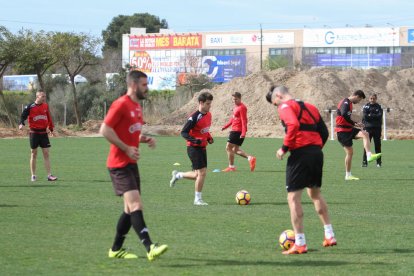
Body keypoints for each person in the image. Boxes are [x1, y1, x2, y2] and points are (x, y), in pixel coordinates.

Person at [100, 70, 168, 261]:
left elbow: (130, 133)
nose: (147, 88)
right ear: (133, 85)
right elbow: (104, 129)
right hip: (118, 165)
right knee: (136, 204)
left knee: (129, 210)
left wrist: (144, 139)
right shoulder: (120, 104)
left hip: (131, 164)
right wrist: (126, 148)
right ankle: (150, 247)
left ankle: (115, 249)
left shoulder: (137, 107)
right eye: (144, 85)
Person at [266, 85, 335, 255]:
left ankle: (300, 243)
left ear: (279, 96)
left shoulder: (285, 106)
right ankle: (329, 235)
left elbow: (293, 124)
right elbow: (324, 132)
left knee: (293, 198)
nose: (276, 107)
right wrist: (315, 149)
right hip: (316, 154)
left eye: (275, 103)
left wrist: (284, 148)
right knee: (315, 195)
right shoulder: (310, 106)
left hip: (300, 155)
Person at [169, 92, 214, 206]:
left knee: (196, 175)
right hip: (193, 148)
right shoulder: (194, 117)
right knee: (202, 173)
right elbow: (183, 132)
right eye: (208, 104)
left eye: (210, 104)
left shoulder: (209, 115)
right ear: (201, 103)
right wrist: (195, 140)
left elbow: (204, 130)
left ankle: (178, 175)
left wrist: (209, 138)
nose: (209, 106)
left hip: (202, 148)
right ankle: (197, 199)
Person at [335, 90, 382, 180]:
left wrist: (355, 124)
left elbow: (347, 117)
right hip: (342, 131)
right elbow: (344, 114)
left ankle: (369, 155)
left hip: (348, 129)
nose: (359, 102)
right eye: (359, 100)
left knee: (365, 134)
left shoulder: (349, 103)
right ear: (357, 96)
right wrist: (354, 123)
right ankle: (348, 175)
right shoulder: (345, 102)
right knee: (350, 153)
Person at [19, 91, 58, 182]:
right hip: (34, 133)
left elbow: (49, 118)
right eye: (42, 96)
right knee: (34, 153)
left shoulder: (45, 106)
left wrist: (51, 129)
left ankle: (49, 175)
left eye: (45, 96)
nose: (44, 98)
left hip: (44, 133)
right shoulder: (30, 106)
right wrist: (21, 123)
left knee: (46, 153)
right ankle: (33, 175)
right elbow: (23, 116)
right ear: (37, 96)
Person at [221, 92, 256, 172]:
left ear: (240, 99)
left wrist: (243, 133)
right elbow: (233, 119)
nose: (234, 101)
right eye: (233, 99)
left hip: (237, 131)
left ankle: (231, 167)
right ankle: (250, 158)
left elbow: (244, 121)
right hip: (236, 130)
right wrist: (225, 126)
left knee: (228, 147)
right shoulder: (235, 107)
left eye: (236, 99)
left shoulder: (242, 108)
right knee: (235, 150)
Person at [362, 94, 383, 167]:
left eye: (373, 98)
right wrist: (374, 115)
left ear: (376, 99)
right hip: (367, 128)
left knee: (377, 145)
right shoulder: (366, 106)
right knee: (366, 145)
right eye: (371, 98)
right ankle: (365, 162)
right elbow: (365, 116)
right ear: (369, 99)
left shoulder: (379, 107)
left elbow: (379, 116)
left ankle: (379, 162)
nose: (372, 100)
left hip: (377, 128)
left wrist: (370, 115)